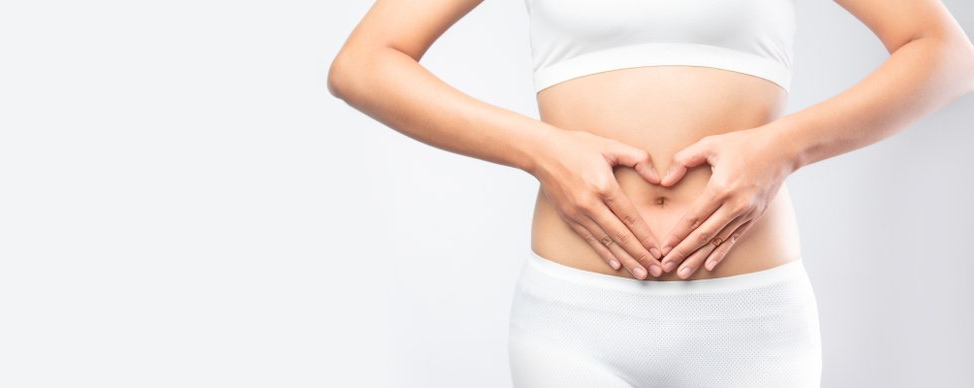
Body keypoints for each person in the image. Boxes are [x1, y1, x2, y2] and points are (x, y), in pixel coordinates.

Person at [327, 0, 974, 386]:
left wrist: (783, 149)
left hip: (751, 324)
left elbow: (946, 54)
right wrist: (540, 151)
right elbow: (363, 64)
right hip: (575, 324)